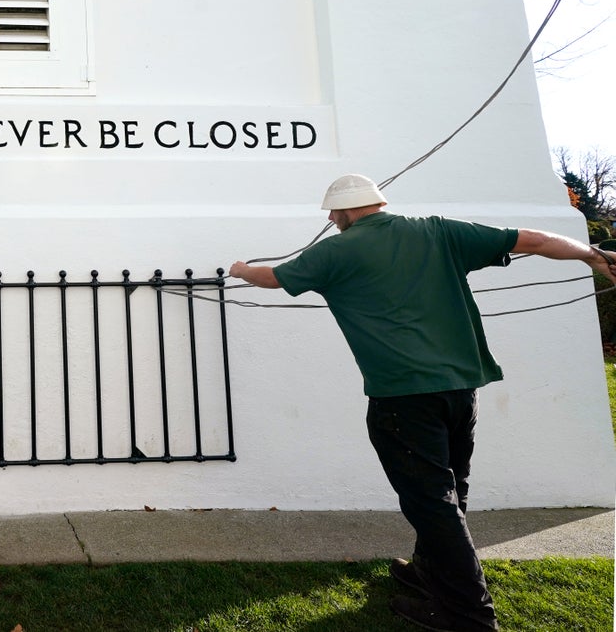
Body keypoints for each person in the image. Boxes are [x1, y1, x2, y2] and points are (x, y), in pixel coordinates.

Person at [228, 174, 616, 632]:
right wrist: (594, 254)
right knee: (451, 490)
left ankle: (468, 616)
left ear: (347, 212)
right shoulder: (438, 231)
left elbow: (271, 277)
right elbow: (534, 239)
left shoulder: (337, 250)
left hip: (401, 399)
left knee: (432, 504)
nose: (331, 221)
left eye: (333, 214)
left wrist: (239, 268)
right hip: (459, 391)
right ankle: (427, 572)